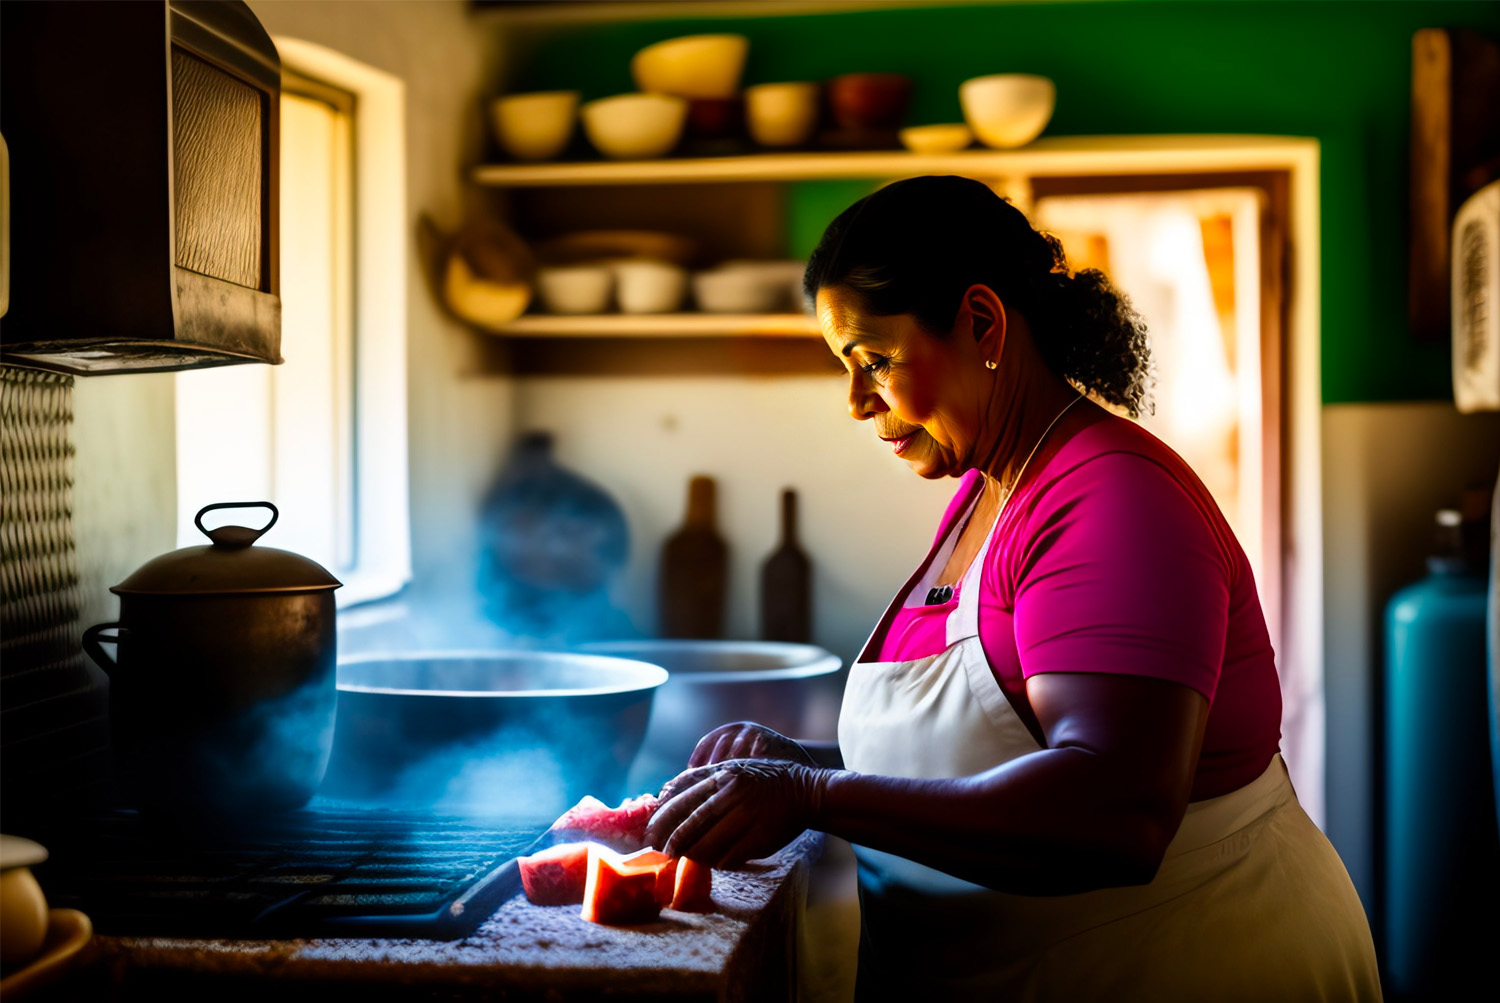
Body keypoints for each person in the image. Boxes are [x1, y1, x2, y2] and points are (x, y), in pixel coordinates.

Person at [645, 176, 1381, 1002]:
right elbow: (985, 749)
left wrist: (816, 794)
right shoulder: (988, 491)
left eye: (874, 361)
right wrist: (805, 767)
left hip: (1189, 963)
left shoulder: (1115, 500)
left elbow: (1113, 814)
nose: (855, 403)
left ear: (983, 324)